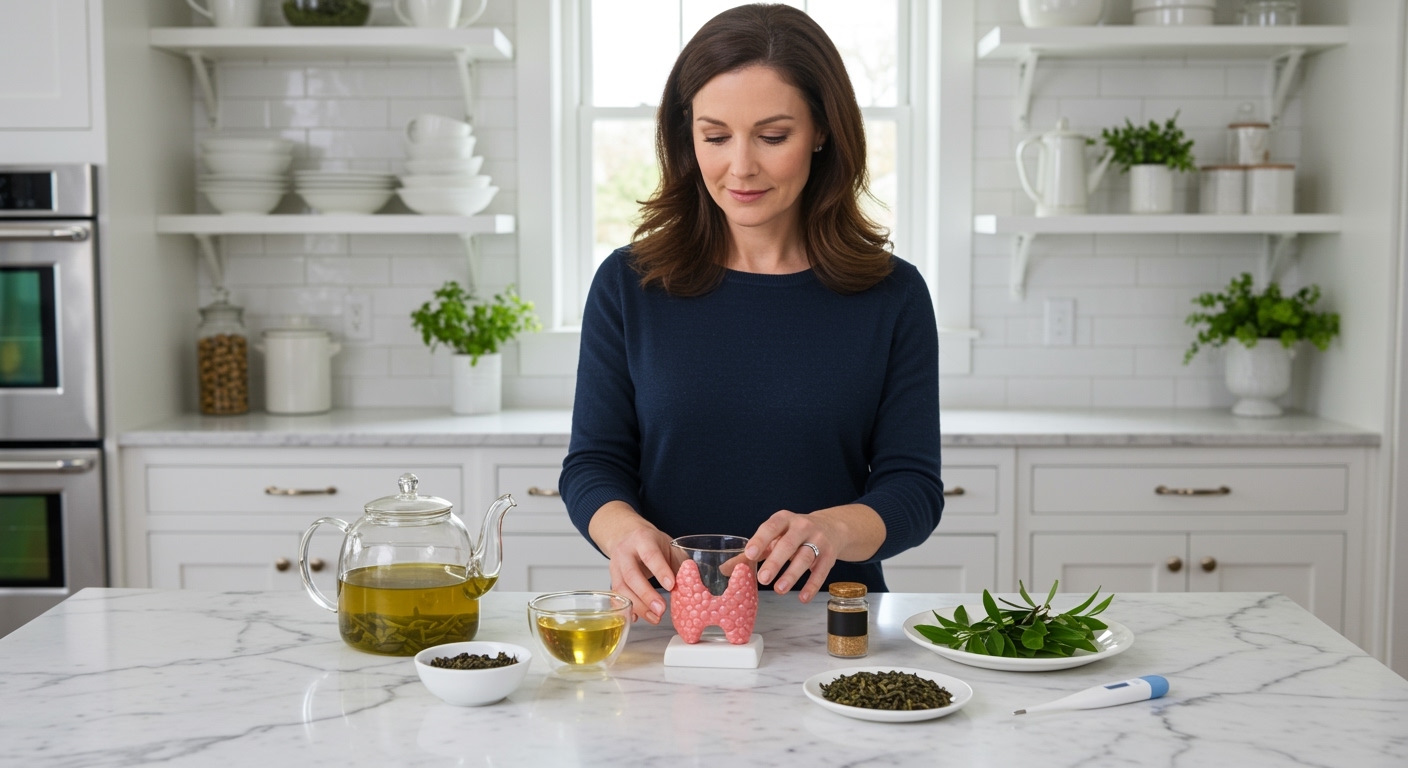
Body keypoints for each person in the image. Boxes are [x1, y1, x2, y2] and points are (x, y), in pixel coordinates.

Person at [559, 3, 943, 625]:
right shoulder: (629, 285)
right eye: (715, 136)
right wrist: (621, 529)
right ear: (687, 134)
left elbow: (914, 491)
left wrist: (833, 530)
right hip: (669, 629)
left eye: (772, 136)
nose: (740, 167)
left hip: (830, 629)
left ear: (822, 131)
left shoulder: (891, 295)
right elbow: (594, 464)